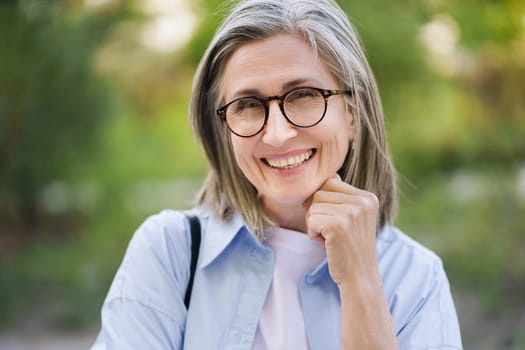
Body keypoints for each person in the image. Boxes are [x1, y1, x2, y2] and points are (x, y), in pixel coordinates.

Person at [92, 0, 463, 349]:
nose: (277, 134)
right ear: (224, 127)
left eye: (303, 95)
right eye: (248, 105)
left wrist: (361, 280)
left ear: (352, 114)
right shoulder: (167, 253)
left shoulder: (416, 277)